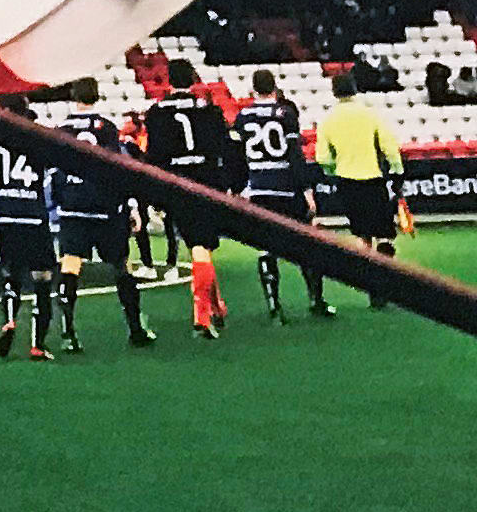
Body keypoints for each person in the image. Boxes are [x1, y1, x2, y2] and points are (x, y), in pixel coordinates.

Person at [47, 98, 158, 348]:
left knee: (70, 264)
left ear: (75, 99)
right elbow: (117, 169)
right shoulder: (106, 127)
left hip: (73, 208)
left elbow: (54, 169)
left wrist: (62, 198)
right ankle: (135, 328)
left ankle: (68, 333)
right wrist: (131, 205)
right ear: (96, 97)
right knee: (121, 265)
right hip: (105, 206)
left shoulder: (62, 128)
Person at [232, 66, 329, 321]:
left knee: (266, 248)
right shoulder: (286, 113)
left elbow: (236, 156)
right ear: (274, 86)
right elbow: (295, 155)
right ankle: (316, 300)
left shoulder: (243, 116)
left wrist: (240, 188)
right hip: (286, 188)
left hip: (259, 189)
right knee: (306, 244)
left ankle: (274, 306)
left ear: (253, 89)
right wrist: (306, 189)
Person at [141, 58, 233, 326]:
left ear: (169, 80)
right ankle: (202, 312)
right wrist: (229, 184)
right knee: (201, 244)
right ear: (193, 79)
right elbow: (224, 148)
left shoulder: (156, 112)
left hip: (176, 184)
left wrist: (156, 193)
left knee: (198, 244)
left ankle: (215, 304)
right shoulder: (209, 110)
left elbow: (154, 156)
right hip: (206, 182)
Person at [0, 98, 60, 360]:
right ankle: (37, 344)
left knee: (11, 274)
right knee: (42, 278)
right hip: (33, 214)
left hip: (6, 214)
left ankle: (10, 320)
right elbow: (54, 173)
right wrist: (48, 200)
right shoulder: (39, 137)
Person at [317, 66, 413, 292]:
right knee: (384, 233)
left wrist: (334, 170)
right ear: (355, 89)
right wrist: (397, 171)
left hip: (347, 182)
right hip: (373, 180)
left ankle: (369, 282)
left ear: (334, 92)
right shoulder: (370, 115)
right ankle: (386, 281)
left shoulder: (328, 121)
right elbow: (389, 147)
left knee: (362, 234)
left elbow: (323, 158)